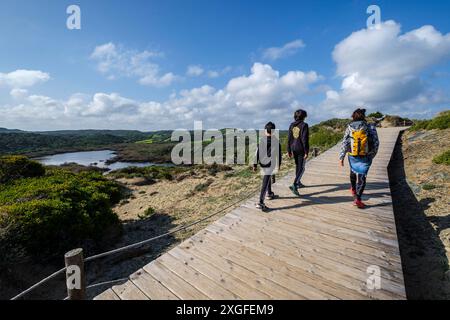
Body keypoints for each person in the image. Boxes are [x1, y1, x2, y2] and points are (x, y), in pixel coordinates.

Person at [339, 108, 379, 209]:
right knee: (362, 176)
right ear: (363, 116)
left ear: (353, 116)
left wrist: (342, 157)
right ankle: (358, 199)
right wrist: (372, 154)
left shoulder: (349, 127)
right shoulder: (370, 126)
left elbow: (345, 142)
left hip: (352, 154)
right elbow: (376, 142)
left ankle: (353, 189)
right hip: (365, 154)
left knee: (353, 170)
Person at [253, 122, 282, 211]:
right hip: (271, 164)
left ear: (265, 130)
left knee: (267, 177)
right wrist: (279, 165)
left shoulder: (262, 141)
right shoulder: (276, 142)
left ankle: (269, 193)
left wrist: (254, 165)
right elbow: (279, 155)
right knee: (265, 181)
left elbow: (257, 153)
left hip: (263, 163)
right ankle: (260, 202)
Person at [287, 109, 309, 196]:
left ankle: (298, 182)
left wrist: (289, 150)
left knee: (298, 166)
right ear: (304, 116)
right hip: (301, 149)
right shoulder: (304, 125)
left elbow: (289, 138)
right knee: (302, 168)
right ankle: (295, 184)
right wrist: (306, 151)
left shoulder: (291, 125)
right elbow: (304, 139)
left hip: (293, 148)